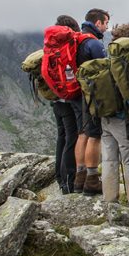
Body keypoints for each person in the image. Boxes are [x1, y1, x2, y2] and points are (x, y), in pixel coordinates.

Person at [71, 8, 110, 195]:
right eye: (106, 23)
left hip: (77, 93)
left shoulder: (77, 39)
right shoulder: (93, 43)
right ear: (98, 23)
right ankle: (92, 180)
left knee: (82, 134)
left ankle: (80, 177)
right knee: (95, 136)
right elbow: (105, 70)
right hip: (91, 95)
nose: (106, 27)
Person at [102, 23, 129, 208]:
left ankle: (110, 200)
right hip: (120, 118)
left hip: (104, 117)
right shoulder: (125, 60)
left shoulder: (110, 58)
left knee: (109, 159)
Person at [52, 14, 80, 194]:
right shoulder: (66, 44)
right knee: (72, 138)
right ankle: (68, 180)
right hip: (68, 99)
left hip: (55, 99)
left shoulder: (52, 44)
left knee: (62, 137)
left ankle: (60, 177)